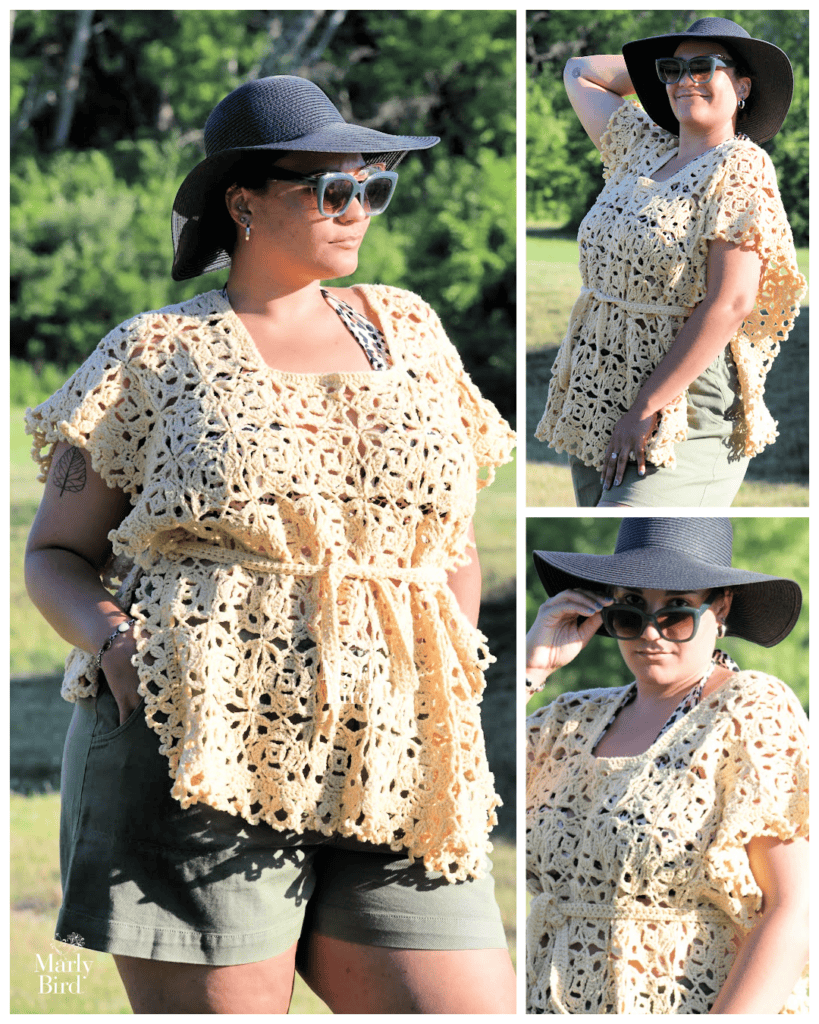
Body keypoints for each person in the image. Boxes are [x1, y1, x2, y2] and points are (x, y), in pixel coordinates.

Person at [24, 75, 516, 1014]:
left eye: (374, 185)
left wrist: (449, 668)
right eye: (333, 188)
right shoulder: (154, 354)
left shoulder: (408, 328)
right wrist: (118, 647)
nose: (359, 207)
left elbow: (447, 540)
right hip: (198, 737)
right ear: (243, 201)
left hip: (403, 750)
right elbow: (54, 554)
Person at [525, 517, 809, 1014]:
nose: (650, 633)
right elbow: (451, 790)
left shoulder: (751, 710)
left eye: (675, 613)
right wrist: (533, 669)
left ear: (720, 606)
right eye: (629, 611)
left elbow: (794, 910)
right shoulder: (567, 720)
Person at [534, 17, 806, 507]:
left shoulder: (739, 165)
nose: (686, 80)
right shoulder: (638, 149)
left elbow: (731, 302)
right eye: (672, 69)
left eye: (704, 67)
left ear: (743, 87)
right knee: (604, 542)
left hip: (680, 403)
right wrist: (665, 76)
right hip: (600, 394)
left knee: (636, 530)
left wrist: (647, 405)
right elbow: (579, 71)